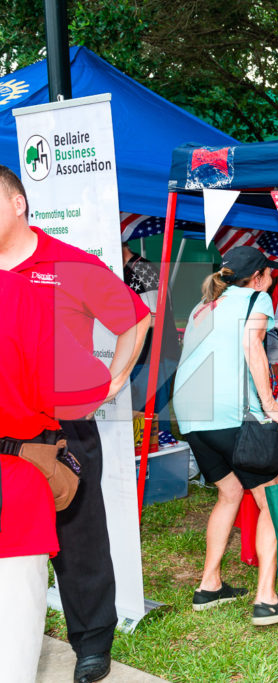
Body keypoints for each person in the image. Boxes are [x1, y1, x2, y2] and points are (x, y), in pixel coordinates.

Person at [0, 165, 151, 683]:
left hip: (64, 430)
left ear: (18, 203)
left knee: (79, 538)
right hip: (3, 434)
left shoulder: (67, 263)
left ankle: (91, 645)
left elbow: (137, 319)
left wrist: (114, 380)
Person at [173, 246, 278, 626]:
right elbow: (253, 348)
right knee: (273, 500)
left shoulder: (204, 305)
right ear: (258, 276)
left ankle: (209, 586)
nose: (273, 279)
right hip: (230, 411)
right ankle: (266, 599)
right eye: (271, 274)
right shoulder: (255, 298)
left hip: (191, 414)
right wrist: (270, 405)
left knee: (230, 492)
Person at [0, 270, 112, 683]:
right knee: (10, 640)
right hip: (15, 479)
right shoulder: (20, 297)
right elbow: (84, 388)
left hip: (15, 475)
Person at [122, 243, 181, 433]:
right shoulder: (123, 270)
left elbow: (153, 319)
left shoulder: (142, 269)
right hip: (139, 357)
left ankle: (156, 460)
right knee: (140, 423)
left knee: (153, 425)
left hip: (153, 357)